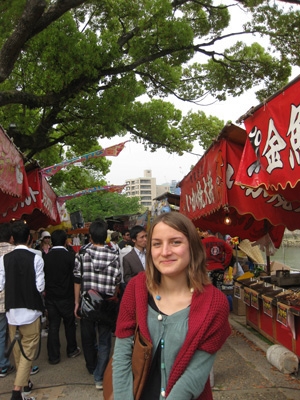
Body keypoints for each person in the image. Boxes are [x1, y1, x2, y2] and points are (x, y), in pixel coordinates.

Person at [112, 212, 231, 400]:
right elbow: (121, 357)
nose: (165, 251)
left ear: (192, 247)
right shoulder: (136, 289)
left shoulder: (215, 304)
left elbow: (194, 378)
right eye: (157, 244)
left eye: (175, 242)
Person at [73, 219, 121, 390]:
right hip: (106, 304)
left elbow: (77, 279)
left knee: (88, 336)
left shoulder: (82, 255)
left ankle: (92, 367)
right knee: (105, 340)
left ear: (90, 237)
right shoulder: (115, 256)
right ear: (105, 236)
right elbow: (118, 281)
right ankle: (99, 376)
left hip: (87, 303)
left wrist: (76, 302)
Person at [0, 221, 45, 400]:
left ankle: (25, 388)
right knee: (28, 354)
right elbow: (40, 286)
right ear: (29, 238)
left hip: (12, 312)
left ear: (12, 239)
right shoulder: (37, 257)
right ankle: (17, 391)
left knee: (18, 352)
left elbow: (0, 285)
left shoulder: (5, 259)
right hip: (31, 312)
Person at [43, 229, 80, 365]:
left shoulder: (45, 257)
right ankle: (71, 349)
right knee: (69, 324)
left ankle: (53, 356)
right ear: (66, 241)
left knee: (53, 325)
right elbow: (75, 277)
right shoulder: (71, 257)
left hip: (51, 297)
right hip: (67, 296)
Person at [0, 223, 15, 378]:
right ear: (11, 237)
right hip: (8, 300)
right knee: (11, 333)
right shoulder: (13, 252)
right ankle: (3, 365)